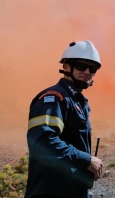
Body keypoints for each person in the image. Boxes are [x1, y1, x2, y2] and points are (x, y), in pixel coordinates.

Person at [25, 40, 104, 198]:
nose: (87, 71)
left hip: (72, 189)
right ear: (66, 66)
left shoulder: (77, 102)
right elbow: (43, 141)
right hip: (51, 190)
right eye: (81, 66)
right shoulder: (54, 98)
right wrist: (86, 160)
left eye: (93, 68)